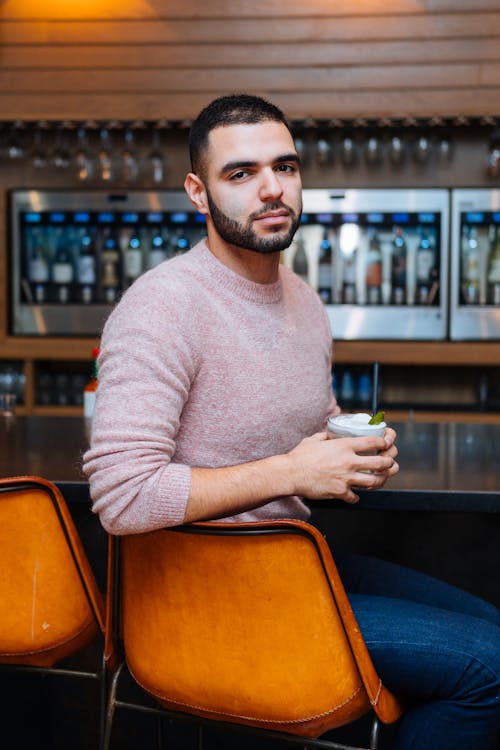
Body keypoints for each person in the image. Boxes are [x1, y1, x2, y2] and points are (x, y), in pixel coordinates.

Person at [83, 94, 500, 750]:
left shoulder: (303, 302)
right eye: (241, 173)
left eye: (286, 166)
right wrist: (292, 471)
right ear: (198, 193)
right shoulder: (161, 309)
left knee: (493, 628)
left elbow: (303, 418)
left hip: (292, 566)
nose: (273, 188)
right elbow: (122, 496)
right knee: (489, 668)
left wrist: (349, 444)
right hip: (204, 602)